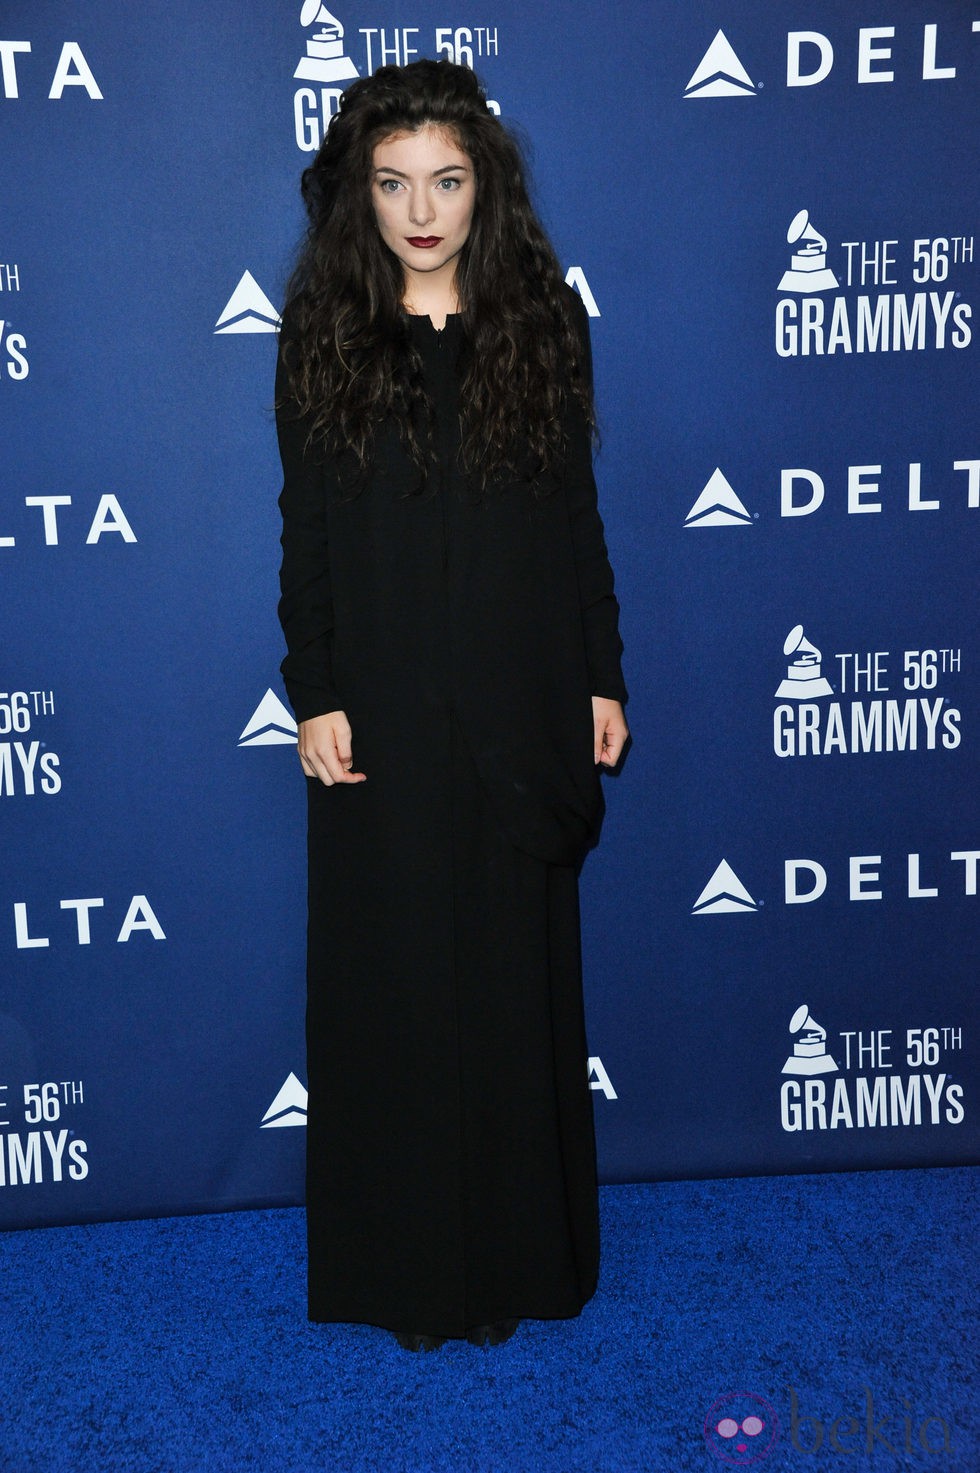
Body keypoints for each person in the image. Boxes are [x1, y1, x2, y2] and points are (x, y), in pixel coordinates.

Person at [275, 58, 629, 1353]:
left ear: (486, 186)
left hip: (523, 698)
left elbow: (575, 520)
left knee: (509, 980)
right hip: (381, 715)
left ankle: (523, 1260)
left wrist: (601, 670)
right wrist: (313, 690)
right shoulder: (320, 334)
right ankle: (407, 1272)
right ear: (360, 194)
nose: (421, 210)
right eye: (393, 183)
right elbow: (304, 533)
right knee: (399, 990)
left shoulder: (546, 322)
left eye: (447, 180)